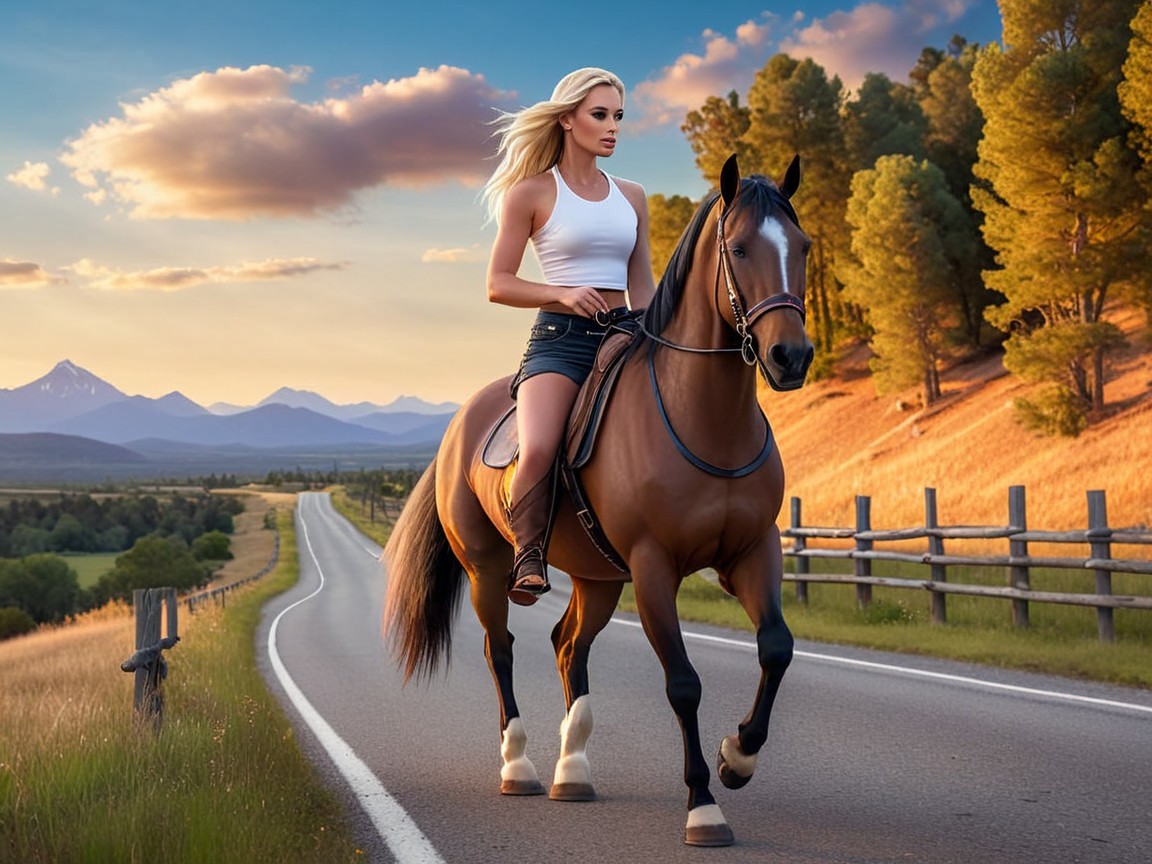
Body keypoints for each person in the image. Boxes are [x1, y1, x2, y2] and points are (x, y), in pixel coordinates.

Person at [481, 67, 655, 606]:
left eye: (618, 116)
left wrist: (657, 334)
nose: (613, 127)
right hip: (561, 340)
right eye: (600, 115)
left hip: (627, 335)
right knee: (538, 446)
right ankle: (528, 555)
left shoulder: (632, 195)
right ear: (567, 119)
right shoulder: (531, 192)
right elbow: (498, 284)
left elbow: (643, 283)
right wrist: (561, 293)